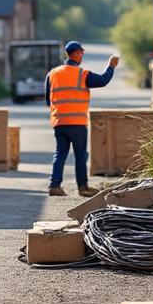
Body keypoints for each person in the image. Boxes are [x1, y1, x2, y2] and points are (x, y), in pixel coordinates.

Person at [45, 41, 118, 197]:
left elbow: (48, 99)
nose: (82, 55)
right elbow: (103, 80)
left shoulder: (52, 74)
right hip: (77, 123)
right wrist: (111, 66)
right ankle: (83, 187)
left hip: (59, 122)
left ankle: (54, 185)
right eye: (81, 53)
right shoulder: (82, 74)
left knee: (60, 153)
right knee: (80, 155)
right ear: (76, 53)